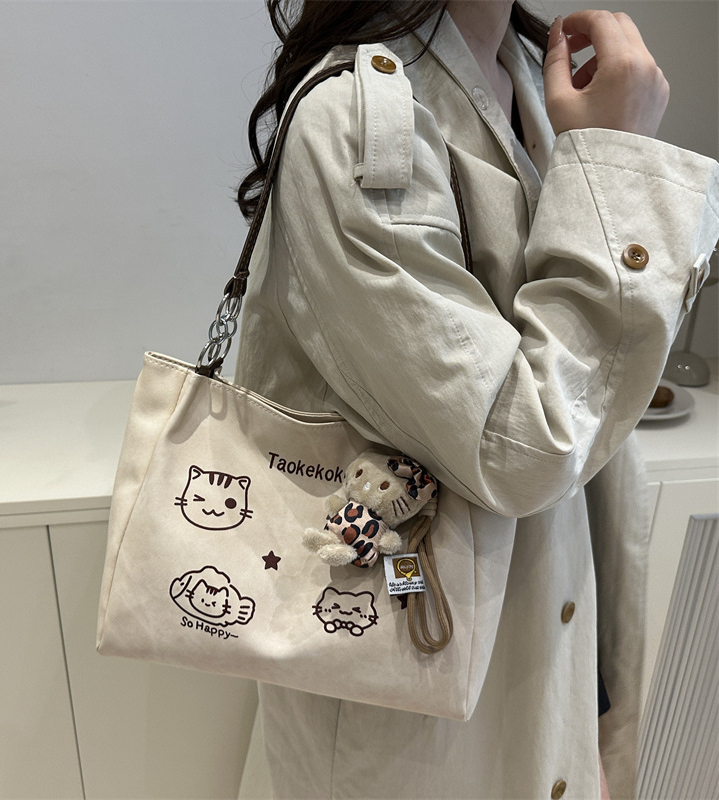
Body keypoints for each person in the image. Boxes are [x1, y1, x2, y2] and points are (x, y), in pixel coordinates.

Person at [233, 2, 719, 798]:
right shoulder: (359, 116)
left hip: (543, 636)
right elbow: (520, 444)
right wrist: (620, 159)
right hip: (423, 717)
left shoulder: (534, 79)